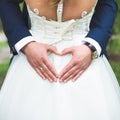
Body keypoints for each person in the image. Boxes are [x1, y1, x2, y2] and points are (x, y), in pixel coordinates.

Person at [0, 0, 120, 120]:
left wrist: (91, 46)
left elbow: (107, 4)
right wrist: (26, 44)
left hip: (84, 59)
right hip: (32, 60)